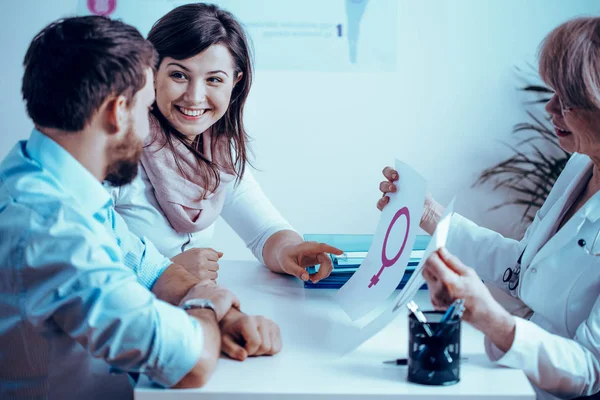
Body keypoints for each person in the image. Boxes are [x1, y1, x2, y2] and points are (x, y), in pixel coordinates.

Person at [0, 16, 279, 400]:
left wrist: (225, 314)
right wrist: (205, 306)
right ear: (117, 112)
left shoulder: (50, 178)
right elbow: (191, 363)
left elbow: (154, 270)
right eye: (147, 109)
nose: (150, 132)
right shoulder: (54, 230)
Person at [378, 17, 600, 400]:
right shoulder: (581, 164)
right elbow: (525, 267)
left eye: (565, 100)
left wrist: (490, 317)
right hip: (514, 374)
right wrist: (430, 216)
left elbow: (590, 369)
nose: (549, 107)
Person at [109, 3, 342, 284]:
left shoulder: (217, 149)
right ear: (152, 73)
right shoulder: (113, 147)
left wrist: (289, 251)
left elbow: (265, 231)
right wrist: (161, 273)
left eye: (214, 80)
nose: (195, 97)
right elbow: (75, 258)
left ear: (235, 82)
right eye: (179, 75)